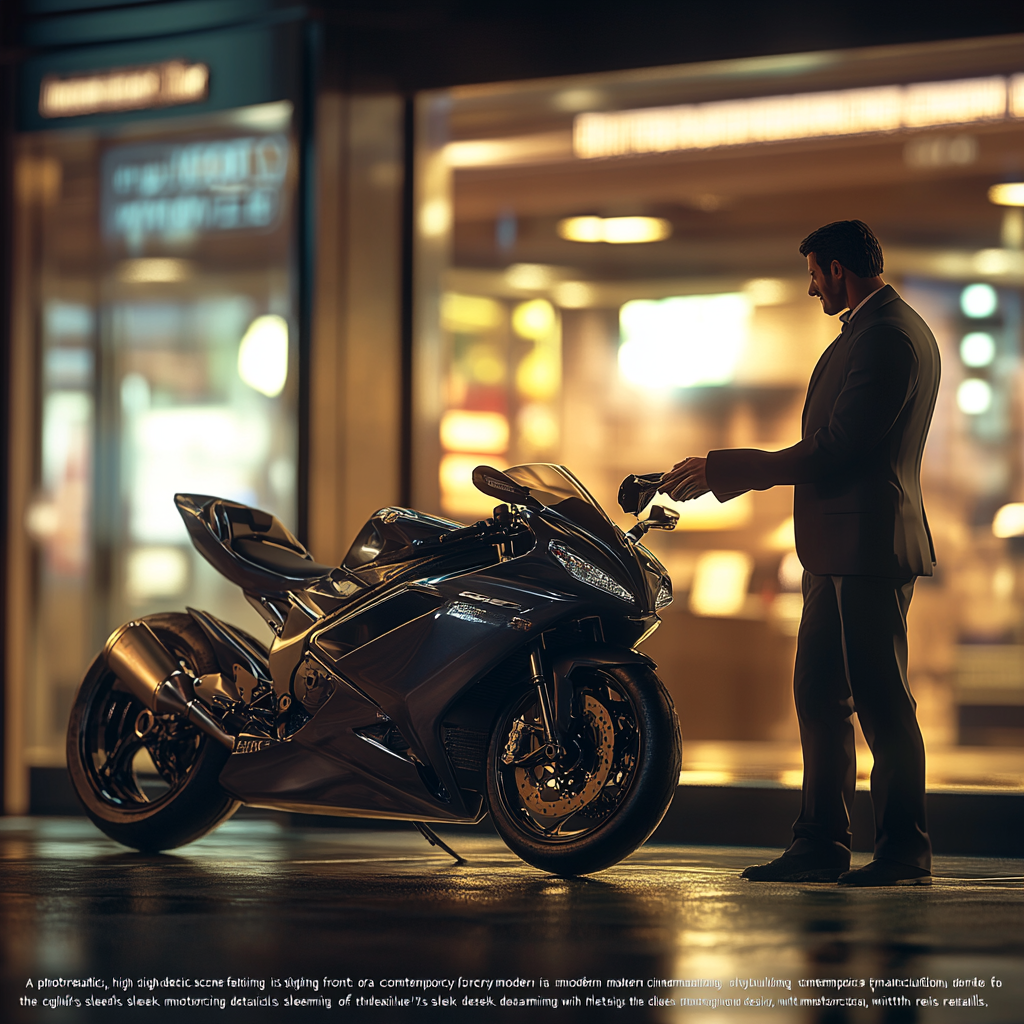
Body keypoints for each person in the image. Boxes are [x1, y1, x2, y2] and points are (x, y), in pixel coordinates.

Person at [662, 220, 940, 887]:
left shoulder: (889, 337)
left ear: (838, 268)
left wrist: (724, 470)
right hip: (834, 547)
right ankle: (820, 842)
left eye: (814, 273)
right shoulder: (866, 333)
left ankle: (904, 850)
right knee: (819, 697)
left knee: (881, 702)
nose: (811, 286)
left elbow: (837, 448)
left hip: (868, 546)